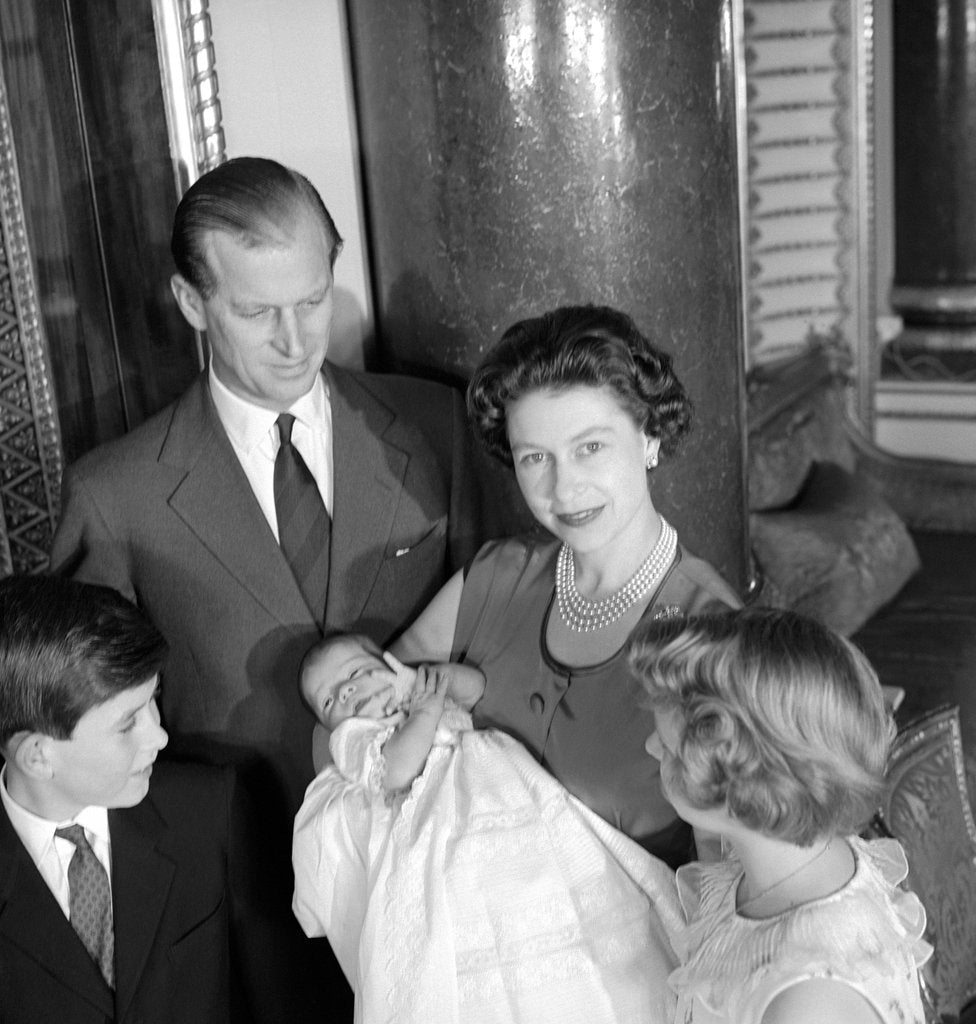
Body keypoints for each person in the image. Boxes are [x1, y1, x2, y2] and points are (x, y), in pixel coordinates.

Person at [48, 157, 487, 1016]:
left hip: (452, 894)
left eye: (313, 300)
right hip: (246, 929)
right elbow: (78, 741)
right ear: (191, 304)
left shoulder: (436, 426)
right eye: (256, 312)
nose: (296, 341)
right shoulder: (115, 495)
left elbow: (499, 630)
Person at [394, 304, 741, 869]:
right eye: (536, 458)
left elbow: (730, 880)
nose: (564, 487)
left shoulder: (715, 634)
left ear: (649, 437)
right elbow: (364, 705)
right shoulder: (494, 577)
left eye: (591, 447)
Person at [293, 633, 682, 1024]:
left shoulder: (416, 687)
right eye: (329, 701)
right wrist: (425, 714)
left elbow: (476, 686)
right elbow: (393, 771)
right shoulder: (353, 737)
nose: (346, 693)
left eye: (357, 673)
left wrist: (434, 679)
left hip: (499, 780)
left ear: (390, 665)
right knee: (467, 888)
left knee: (549, 867)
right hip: (437, 803)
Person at [0, 574, 310, 1023]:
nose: (160, 736)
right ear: (38, 756)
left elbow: (281, 996)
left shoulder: (207, 813)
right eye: (128, 724)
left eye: (154, 700)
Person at [631, 607, 931, 1024]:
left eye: (667, 746)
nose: (650, 747)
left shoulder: (808, 1002)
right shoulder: (787, 853)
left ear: (741, 792)